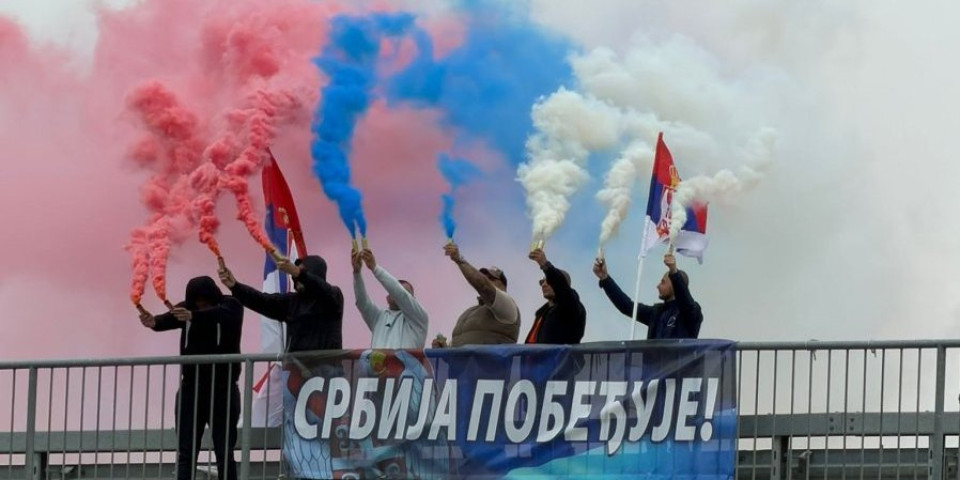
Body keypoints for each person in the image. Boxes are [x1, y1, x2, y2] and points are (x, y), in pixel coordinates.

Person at [139, 276, 243, 480]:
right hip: (191, 390)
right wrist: (154, 322)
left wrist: (193, 316)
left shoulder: (231, 305)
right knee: (186, 452)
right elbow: (166, 319)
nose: (201, 306)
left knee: (224, 452)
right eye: (197, 303)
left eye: (205, 302)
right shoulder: (185, 309)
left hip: (223, 390)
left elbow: (221, 315)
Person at [218, 255, 343, 352]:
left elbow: (321, 288)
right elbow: (262, 301)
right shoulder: (291, 302)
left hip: (328, 374)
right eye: (294, 274)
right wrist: (235, 287)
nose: (295, 277)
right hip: (297, 375)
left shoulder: (333, 297)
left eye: (301, 272)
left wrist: (300, 274)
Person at [593, 252, 703, 339]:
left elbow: (685, 299)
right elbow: (627, 306)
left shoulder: (692, 313)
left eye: (663, 282)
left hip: (679, 368)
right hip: (653, 368)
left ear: (675, 284)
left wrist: (673, 271)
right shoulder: (656, 312)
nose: (658, 286)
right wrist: (605, 278)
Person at [432, 243, 519, 347]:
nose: (486, 280)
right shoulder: (468, 312)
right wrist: (443, 350)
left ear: (503, 286)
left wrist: (460, 260)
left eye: (491, 278)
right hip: (460, 364)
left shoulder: (508, 306)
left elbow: (484, 286)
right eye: (484, 277)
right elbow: (460, 352)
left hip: (489, 364)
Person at [352, 248, 428, 348]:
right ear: (387, 298)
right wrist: (357, 273)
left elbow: (401, 295)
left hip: (406, 364)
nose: (401, 295)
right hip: (377, 364)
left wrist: (375, 268)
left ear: (413, 300)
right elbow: (362, 302)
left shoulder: (420, 318)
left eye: (408, 294)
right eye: (393, 291)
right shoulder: (378, 317)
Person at [524, 248, 586, 344]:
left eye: (548, 281)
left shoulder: (571, 307)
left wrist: (545, 265)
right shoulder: (541, 313)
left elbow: (563, 288)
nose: (544, 285)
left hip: (560, 359)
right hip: (537, 359)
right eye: (541, 282)